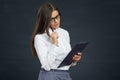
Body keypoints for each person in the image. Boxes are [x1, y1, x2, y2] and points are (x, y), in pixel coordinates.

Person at [30, 2, 82, 80]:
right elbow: (47, 66)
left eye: (57, 17)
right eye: (52, 19)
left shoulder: (64, 33)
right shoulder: (39, 37)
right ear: (45, 20)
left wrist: (74, 60)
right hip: (49, 75)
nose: (56, 21)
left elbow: (65, 62)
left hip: (65, 75)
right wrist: (54, 43)